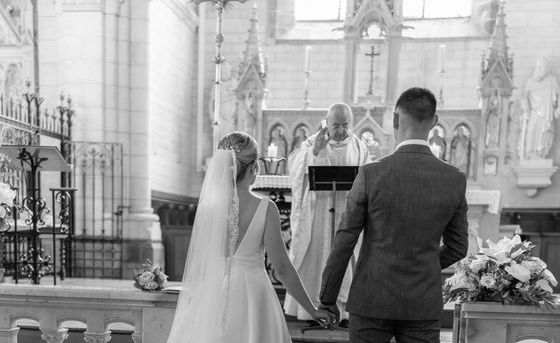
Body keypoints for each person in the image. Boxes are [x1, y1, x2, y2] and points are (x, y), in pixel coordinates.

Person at [319, 88, 468, 343]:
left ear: (395, 120)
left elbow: (344, 241)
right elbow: (458, 247)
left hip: (371, 297)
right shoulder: (454, 179)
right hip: (422, 301)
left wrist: (327, 298)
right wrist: (425, 265)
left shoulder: (370, 174)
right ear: (434, 121)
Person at [166, 132, 333, 343]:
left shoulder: (208, 209)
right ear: (254, 167)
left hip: (212, 295)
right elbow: (281, 268)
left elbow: (201, 263)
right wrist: (312, 309)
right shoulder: (265, 207)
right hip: (253, 296)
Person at [284, 103, 370, 325]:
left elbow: (369, 176)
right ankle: (312, 309)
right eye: (336, 125)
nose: (340, 130)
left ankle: (344, 312)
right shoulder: (313, 142)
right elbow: (294, 164)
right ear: (327, 122)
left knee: (346, 258)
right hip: (318, 214)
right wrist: (314, 152)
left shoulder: (359, 147)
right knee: (317, 255)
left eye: (345, 125)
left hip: (347, 213)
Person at [521, 57, 560, 159]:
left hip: (547, 114)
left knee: (545, 135)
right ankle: (529, 154)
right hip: (534, 112)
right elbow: (524, 97)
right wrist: (525, 106)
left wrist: (558, 108)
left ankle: (541, 154)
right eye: (539, 66)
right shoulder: (530, 81)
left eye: (543, 67)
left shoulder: (552, 80)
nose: (540, 69)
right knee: (531, 131)